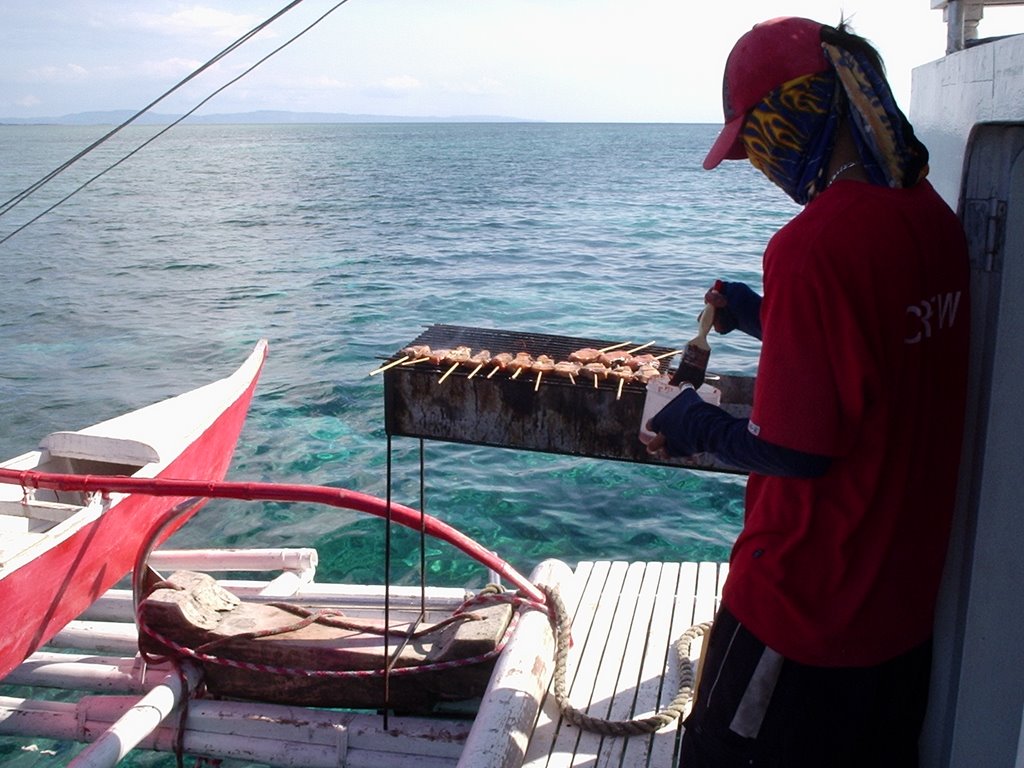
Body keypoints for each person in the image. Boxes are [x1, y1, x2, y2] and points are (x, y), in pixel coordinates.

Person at [643, 17, 971, 767]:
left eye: (755, 140)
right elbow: (872, 347)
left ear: (800, 111)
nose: (758, 165)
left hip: (804, 615)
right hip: (898, 615)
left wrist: (688, 419)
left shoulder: (814, 245)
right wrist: (759, 313)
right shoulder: (933, 221)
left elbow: (797, 453)